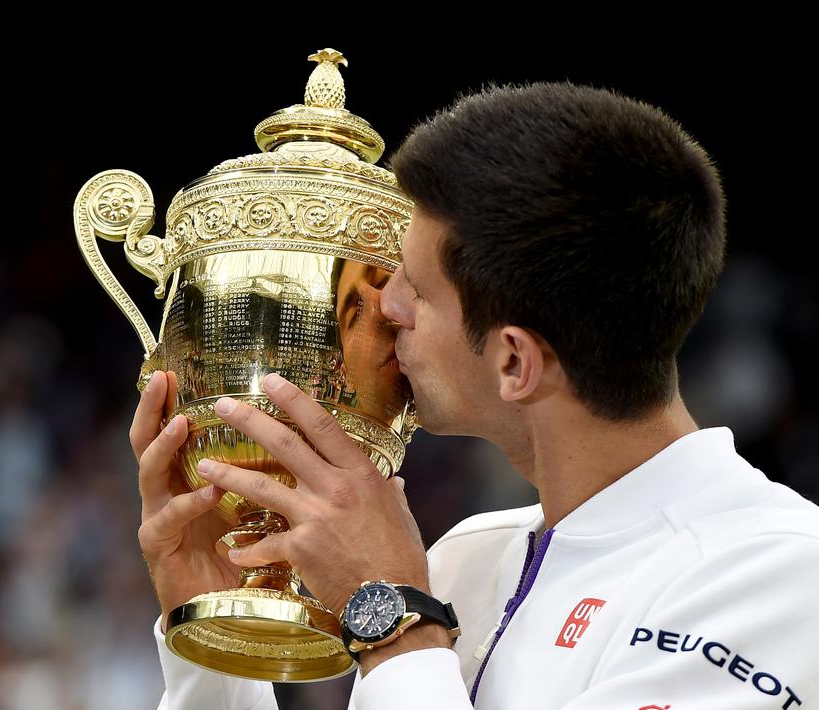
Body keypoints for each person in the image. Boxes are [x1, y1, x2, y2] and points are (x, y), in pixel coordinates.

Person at [130, 80, 819, 709]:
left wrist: (393, 622)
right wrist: (216, 653)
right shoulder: (466, 557)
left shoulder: (780, 576)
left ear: (514, 361)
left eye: (415, 288)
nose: (382, 306)